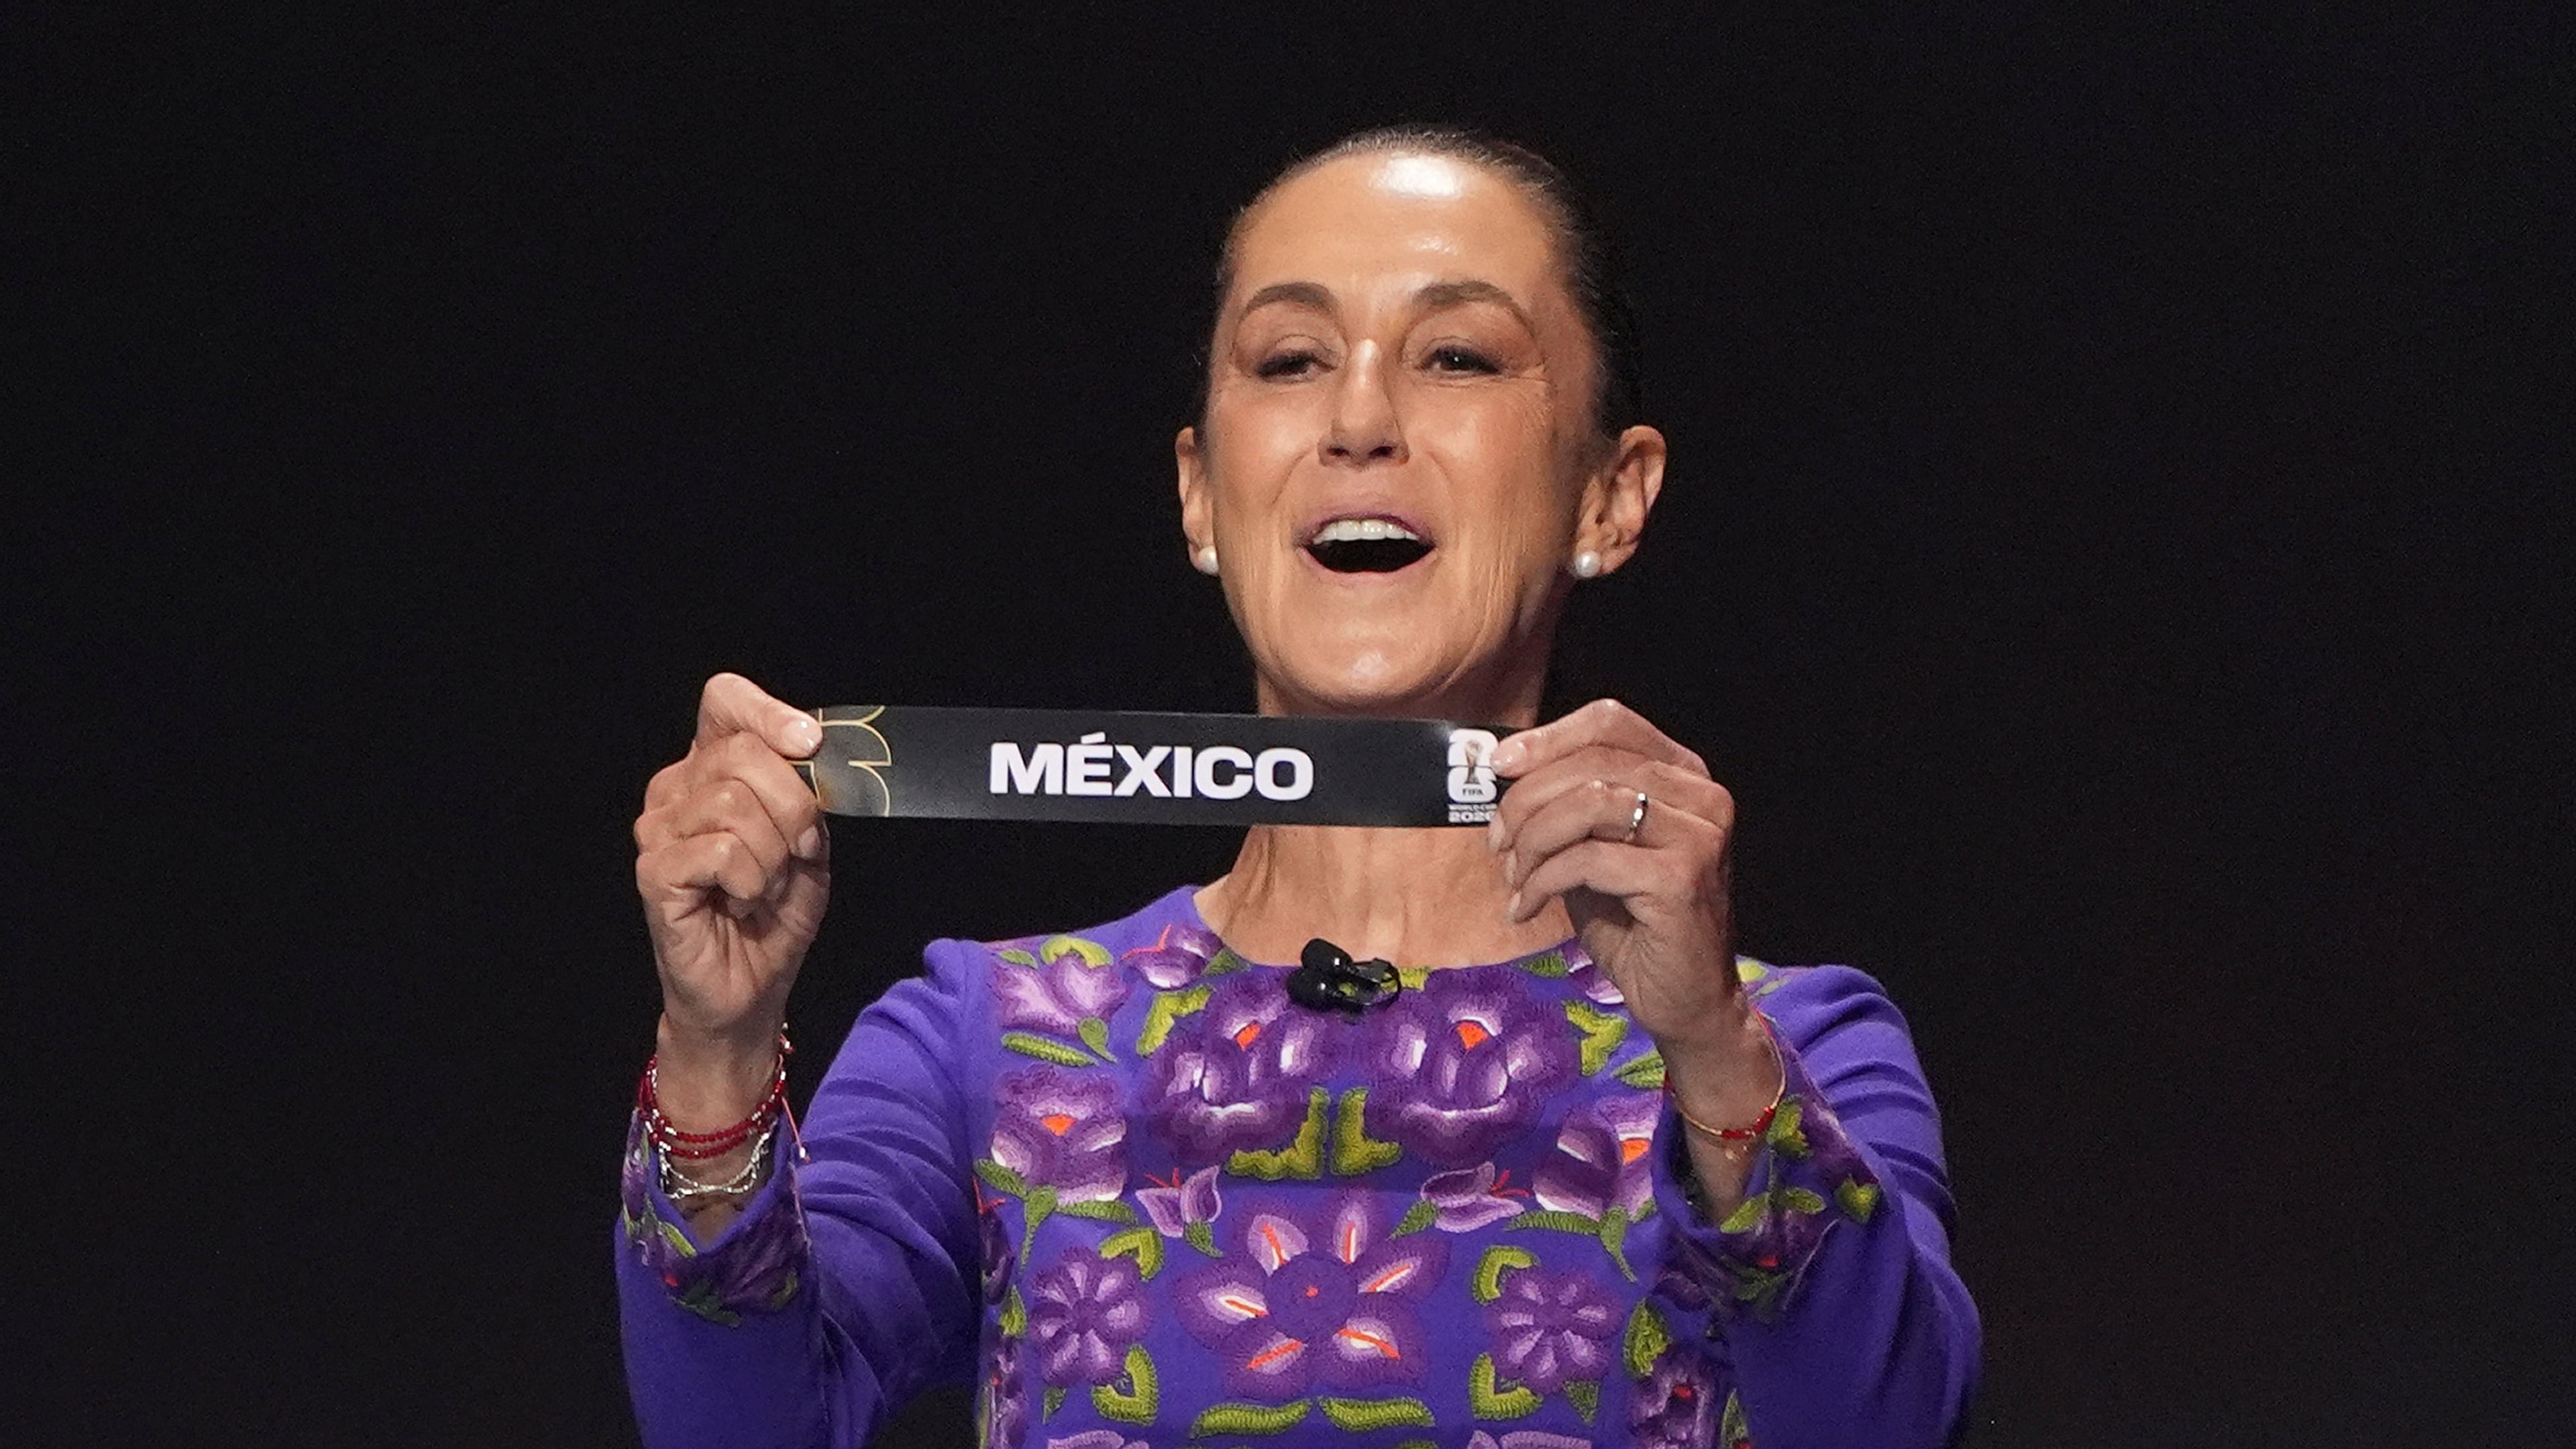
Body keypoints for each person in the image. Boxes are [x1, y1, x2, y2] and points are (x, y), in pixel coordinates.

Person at [616, 125, 1978, 1449]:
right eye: (1289, 359)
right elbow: (745, 1423)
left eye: (1456, 355)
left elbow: (1889, 1423)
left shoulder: (1797, 1052)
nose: (1360, 419)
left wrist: (1709, 1050)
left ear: (1610, 497)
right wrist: (719, 1050)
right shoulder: (984, 1044)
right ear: (1203, 496)